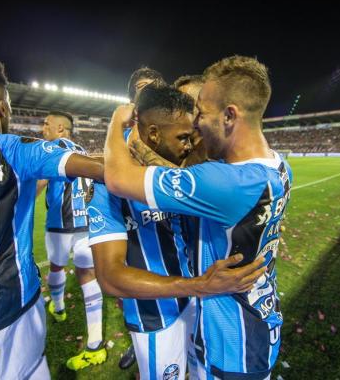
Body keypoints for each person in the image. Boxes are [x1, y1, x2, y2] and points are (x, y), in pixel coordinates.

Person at [104, 55, 292, 380]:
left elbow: (118, 178)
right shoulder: (278, 166)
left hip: (229, 341)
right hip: (257, 322)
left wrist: (117, 124)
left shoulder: (225, 182)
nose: (195, 124)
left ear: (229, 116)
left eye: (201, 113)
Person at [0, 52, 103, 379]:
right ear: (2, 107)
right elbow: (97, 169)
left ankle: (61, 306)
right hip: (12, 301)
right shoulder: (16, 147)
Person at [40, 111, 106, 371]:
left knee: (56, 268)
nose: (42, 128)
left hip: (59, 224)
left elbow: (41, 180)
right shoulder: (81, 150)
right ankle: (96, 344)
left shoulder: (50, 148)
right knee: (87, 274)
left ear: (60, 129)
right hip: (85, 222)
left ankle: (58, 307)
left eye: (46, 124)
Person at [119, 65, 167, 370]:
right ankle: (137, 344)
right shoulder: (122, 136)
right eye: (141, 89)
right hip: (137, 226)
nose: (147, 92)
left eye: (152, 87)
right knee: (135, 289)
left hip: (175, 226)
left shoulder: (176, 130)